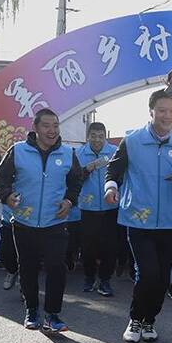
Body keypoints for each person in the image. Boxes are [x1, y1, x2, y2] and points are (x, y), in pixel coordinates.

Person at [105, 90, 172, 343]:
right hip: (138, 219)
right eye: (162, 110)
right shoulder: (132, 141)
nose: (167, 116)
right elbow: (113, 170)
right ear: (151, 111)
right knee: (147, 273)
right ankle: (136, 319)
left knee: (163, 277)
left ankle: (150, 320)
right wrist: (111, 188)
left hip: (170, 222)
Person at [0, 108, 83, 332]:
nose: (52, 130)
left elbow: (76, 181)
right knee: (28, 268)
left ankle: (52, 315)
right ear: (35, 128)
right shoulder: (18, 151)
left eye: (55, 126)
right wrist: (7, 195)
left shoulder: (67, 153)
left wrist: (69, 201)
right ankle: (32, 310)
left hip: (55, 222)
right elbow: (0, 176)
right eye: (46, 126)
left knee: (56, 267)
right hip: (24, 222)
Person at [77, 122, 118, 296]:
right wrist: (87, 169)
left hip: (111, 207)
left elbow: (122, 174)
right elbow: (73, 178)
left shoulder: (115, 152)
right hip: (88, 208)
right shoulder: (78, 154)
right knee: (88, 247)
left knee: (110, 246)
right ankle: (89, 277)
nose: (97, 140)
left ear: (105, 136)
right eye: (93, 136)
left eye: (101, 136)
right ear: (88, 137)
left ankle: (105, 280)